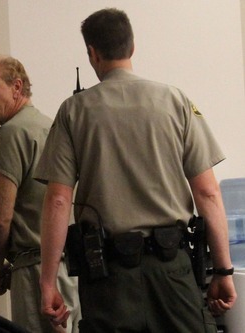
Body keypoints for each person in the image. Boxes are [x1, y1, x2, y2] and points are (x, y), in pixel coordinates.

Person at [36, 8, 237, 333]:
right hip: (173, 272)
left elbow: (58, 200)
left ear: (92, 53)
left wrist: (48, 282)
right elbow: (208, 193)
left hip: (107, 279)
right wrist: (224, 272)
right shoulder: (176, 101)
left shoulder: (74, 111)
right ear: (132, 47)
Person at [0, 55, 80, 333]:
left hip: (36, 268)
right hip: (72, 269)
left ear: (17, 87)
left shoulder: (11, 134)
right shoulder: (51, 126)